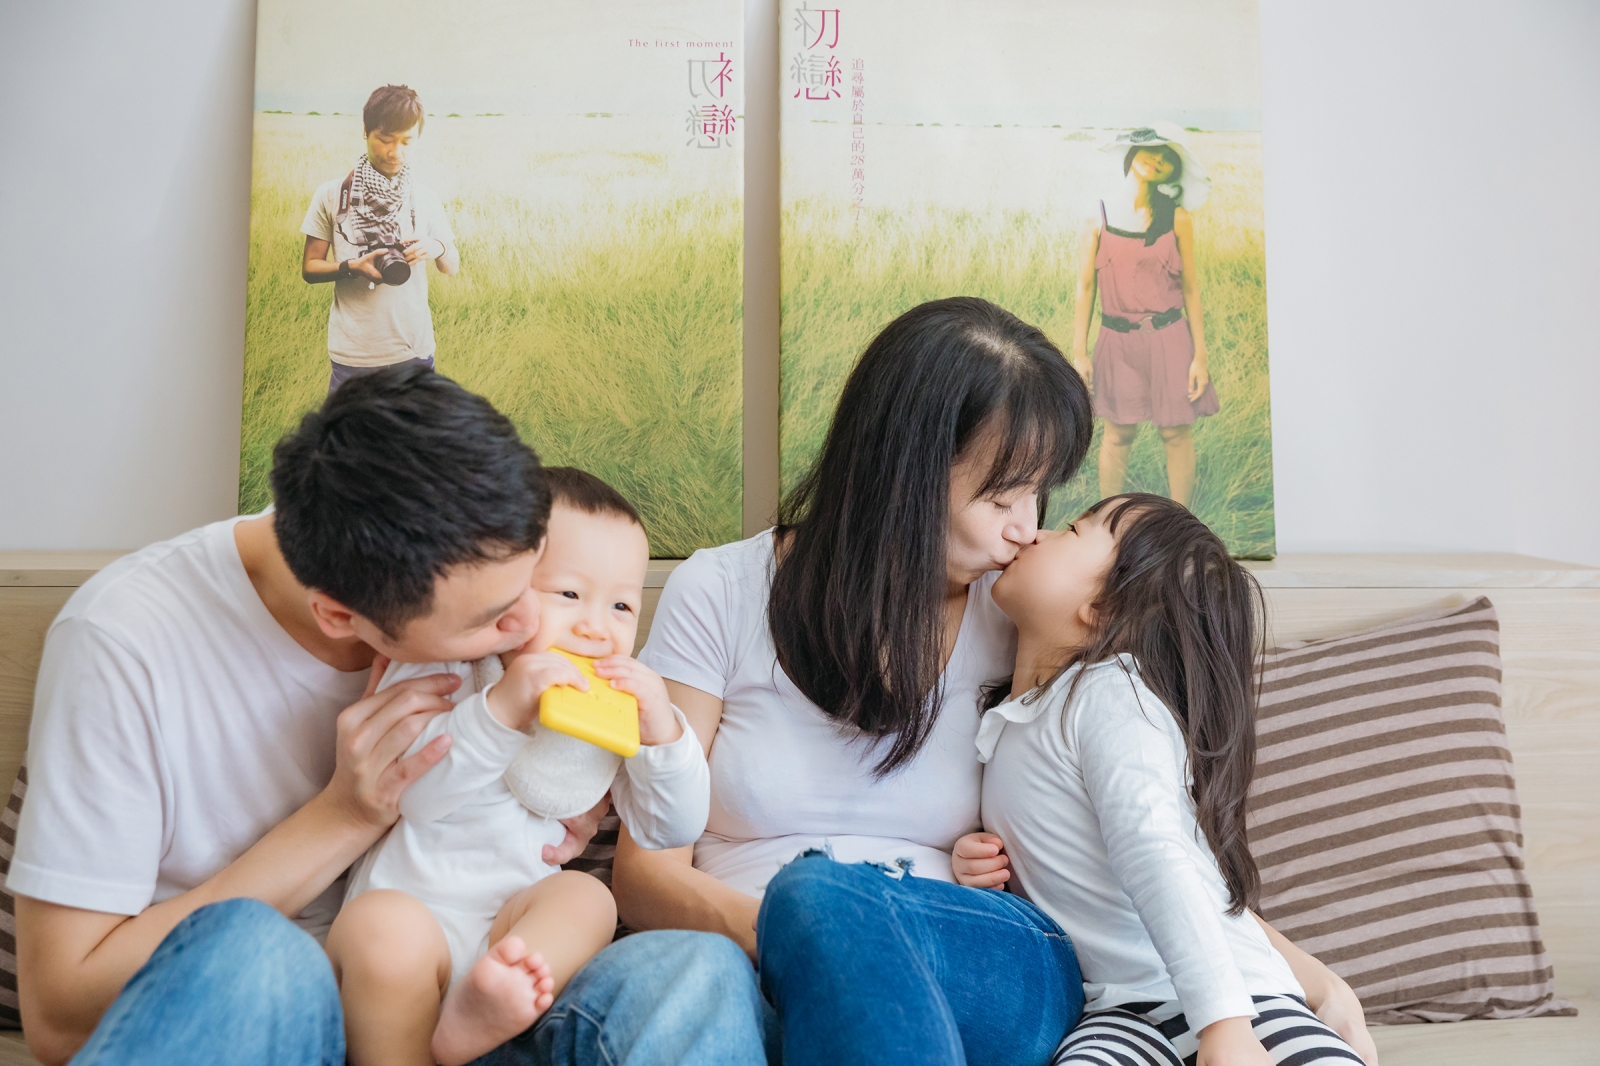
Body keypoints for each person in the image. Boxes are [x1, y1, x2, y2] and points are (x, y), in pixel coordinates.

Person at [9, 368, 764, 1066]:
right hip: (270, 1016)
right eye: (494, 619)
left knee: (697, 970)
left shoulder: (451, 548)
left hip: (480, 994)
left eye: (533, 583)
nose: (530, 630)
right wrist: (346, 814)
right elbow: (57, 1015)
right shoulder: (125, 643)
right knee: (254, 951)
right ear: (342, 618)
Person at [618, 297, 1096, 1066]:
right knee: (718, 966)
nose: (1026, 527)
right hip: (745, 961)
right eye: (1001, 496)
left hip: (968, 965)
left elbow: (1142, 819)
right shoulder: (723, 590)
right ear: (902, 473)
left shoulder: (1021, 615)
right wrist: (810, 942)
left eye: (1038, 494)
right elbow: (645, 875)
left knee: (819, 895)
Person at [952, 494, 1378, 1066]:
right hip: (1117, 1010)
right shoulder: (1013, 717)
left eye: (1071, 530)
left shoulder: (1111, 694)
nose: (1036, 533)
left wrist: (1225, 1024)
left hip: (1242, 996)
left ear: (1101, 608)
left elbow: (1157, 854)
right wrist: (982, 870)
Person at [331, 468, 711, 1066]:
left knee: (587, 897)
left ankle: (487, 1008)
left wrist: (662, 733)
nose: (595, 626)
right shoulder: (445, 668)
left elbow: (673, 827)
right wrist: (502, 710)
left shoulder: (612, 712)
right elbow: (414, 796)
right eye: (569, 595)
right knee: (381, 930)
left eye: (621, 605)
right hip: (409, 914)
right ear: (501, 589)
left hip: (508, 937)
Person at [1071, 124, 1219, 507]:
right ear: (1130, 154)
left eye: (1167, 157)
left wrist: (1200, 356)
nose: (1157, 159)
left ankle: (1181, 524)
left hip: (1170, 337)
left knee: (1175, 434)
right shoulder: (1097, 216)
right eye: (1151, 149)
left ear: (1173, 171)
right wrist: (1079, 352)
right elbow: (1085, 287)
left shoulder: (1178, 218)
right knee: (1118, 434)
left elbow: (1191, 290)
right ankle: (1108, 520)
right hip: (1116, 340)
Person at [301, 84, 459, 394]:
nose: (395, 152)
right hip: (352, 354)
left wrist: (436, 246)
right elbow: (310, 268)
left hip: (413, 351)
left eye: (406, 141)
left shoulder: (425, 198)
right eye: (385, 139)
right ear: (365, 131)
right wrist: (351, 267)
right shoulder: (332, 195)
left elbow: (451, 266)